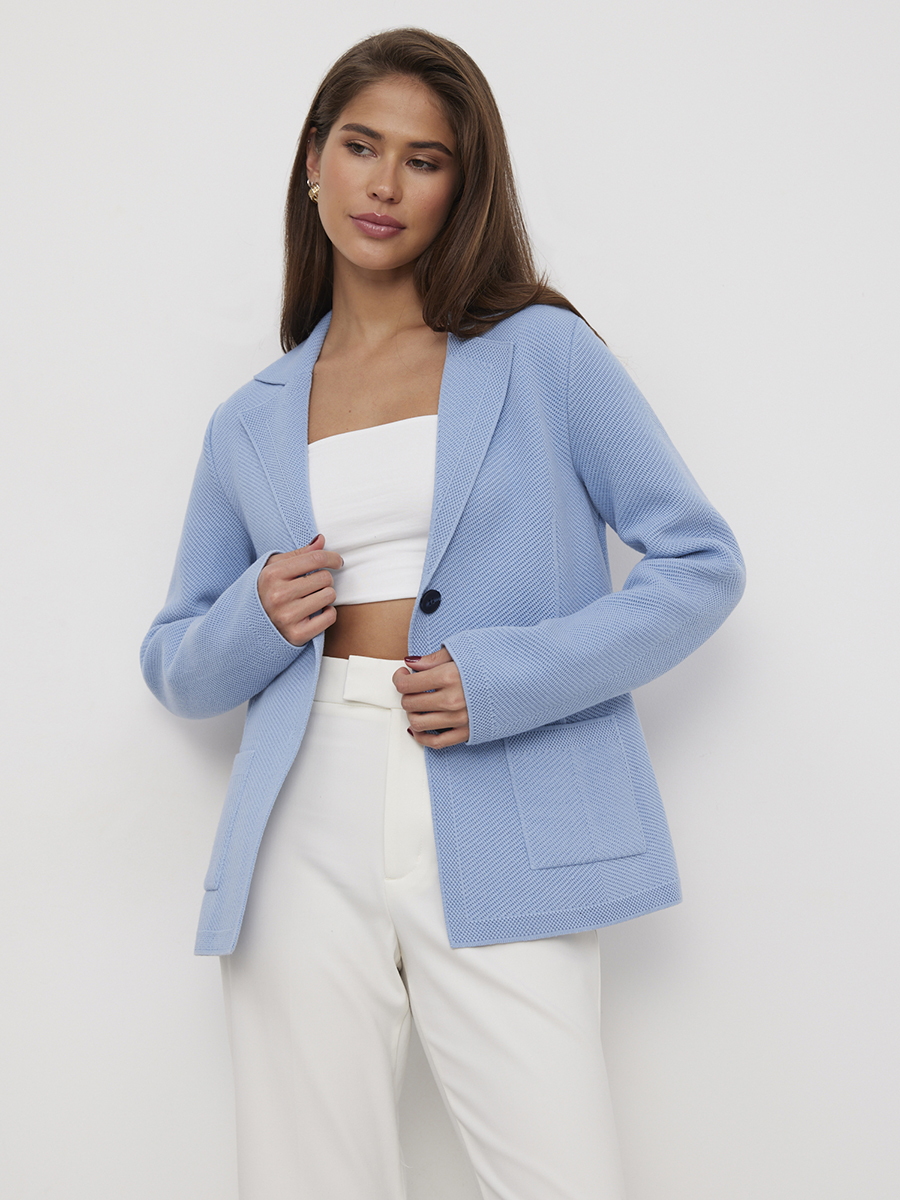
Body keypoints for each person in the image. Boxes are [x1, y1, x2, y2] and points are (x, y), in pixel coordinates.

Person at [140, 27, 745, 1200]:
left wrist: (503, 679)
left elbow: (700, 563)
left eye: (424, 160)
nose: (384, 184)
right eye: (361, 147)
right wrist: (257, 614)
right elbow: (175, 662)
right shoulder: (249, 418)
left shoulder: (542, 355)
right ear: (313, 161)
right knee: (307, 1176)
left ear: (461, 187)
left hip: (501, 785)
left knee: (562, 1173)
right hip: (303, 802)